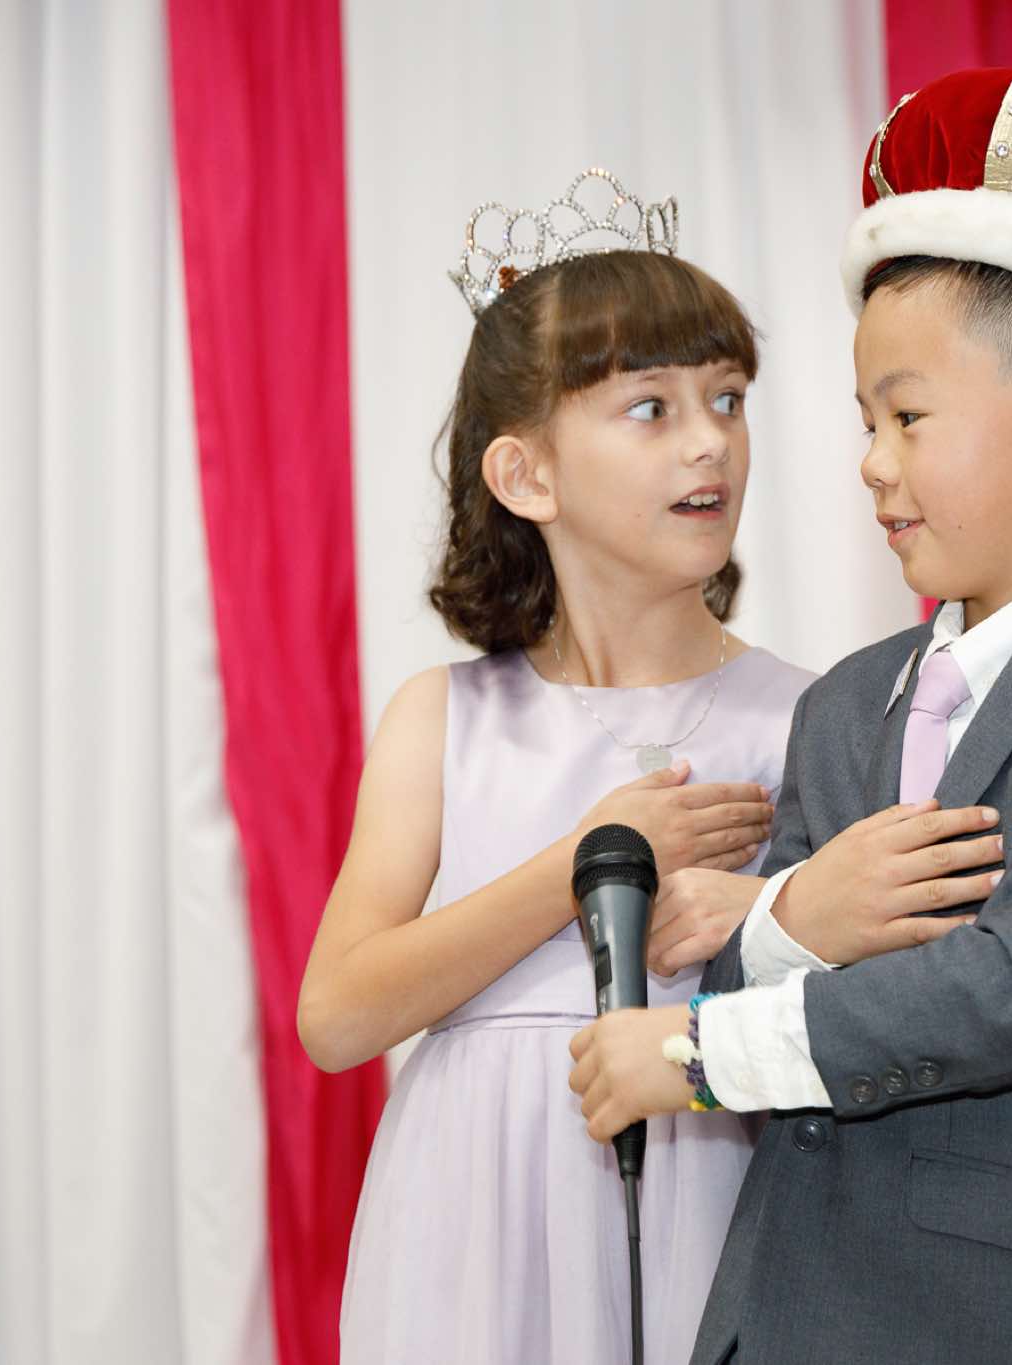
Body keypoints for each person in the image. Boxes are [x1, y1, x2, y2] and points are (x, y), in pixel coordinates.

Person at [567, 62, 1012, 1362]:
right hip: (797, 1317)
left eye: (907, 417)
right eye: (864, 421)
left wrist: (703, 1055)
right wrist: (790, 918)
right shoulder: (846, 702)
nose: (870, 463)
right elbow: (741, 965)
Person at [297, 177, 808, 1363]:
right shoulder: (445, 718)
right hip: (468, 1230)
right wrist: (584, 863)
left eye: (726, 398)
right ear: (526, 476)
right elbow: (337, 1015)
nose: (708, 440)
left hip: (715, 1197)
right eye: (649, 407)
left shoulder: (803, 716)